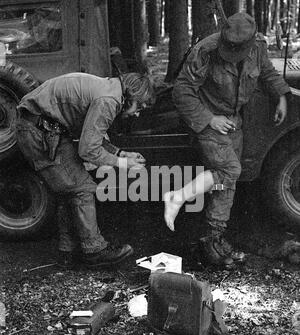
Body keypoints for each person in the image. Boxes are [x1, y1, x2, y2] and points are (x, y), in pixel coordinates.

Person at [165, 12, 290, 269]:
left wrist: (281, 96)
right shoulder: (206, 51)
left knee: (226, 181)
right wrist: (210, 119)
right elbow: (182, 92)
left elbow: (266, 72)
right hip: (207, 120)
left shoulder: (257, 48)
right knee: (229, 170)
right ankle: (183, 204)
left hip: (233, 122)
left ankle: (213, 237)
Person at [15, 72, 155, 269]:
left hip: (43, 128)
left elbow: (91, 135)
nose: (138, 113)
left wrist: (122, 154)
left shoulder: (109, 89)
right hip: (38, 132)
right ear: (131, 94)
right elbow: (88, 150)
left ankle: (68, 252)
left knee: (69, 189)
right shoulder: (109, 100)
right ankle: (95, 251)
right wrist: (123, 165)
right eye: (139, 106)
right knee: (82, 188)